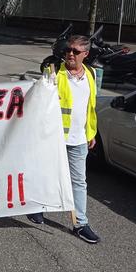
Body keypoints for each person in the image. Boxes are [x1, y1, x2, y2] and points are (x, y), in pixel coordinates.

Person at [27, 35, 100, 244]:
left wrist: (91, 132)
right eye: (68, 50)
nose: (70, 54)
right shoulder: (54, 71)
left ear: (85, 54)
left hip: (78, 139)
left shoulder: (91, 74)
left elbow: (90, 106)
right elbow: (38, 98)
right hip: (53, 136)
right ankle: (37, 208)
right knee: (45, 175)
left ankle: (80, 224)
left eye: (76, 51)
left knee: (79, 182)